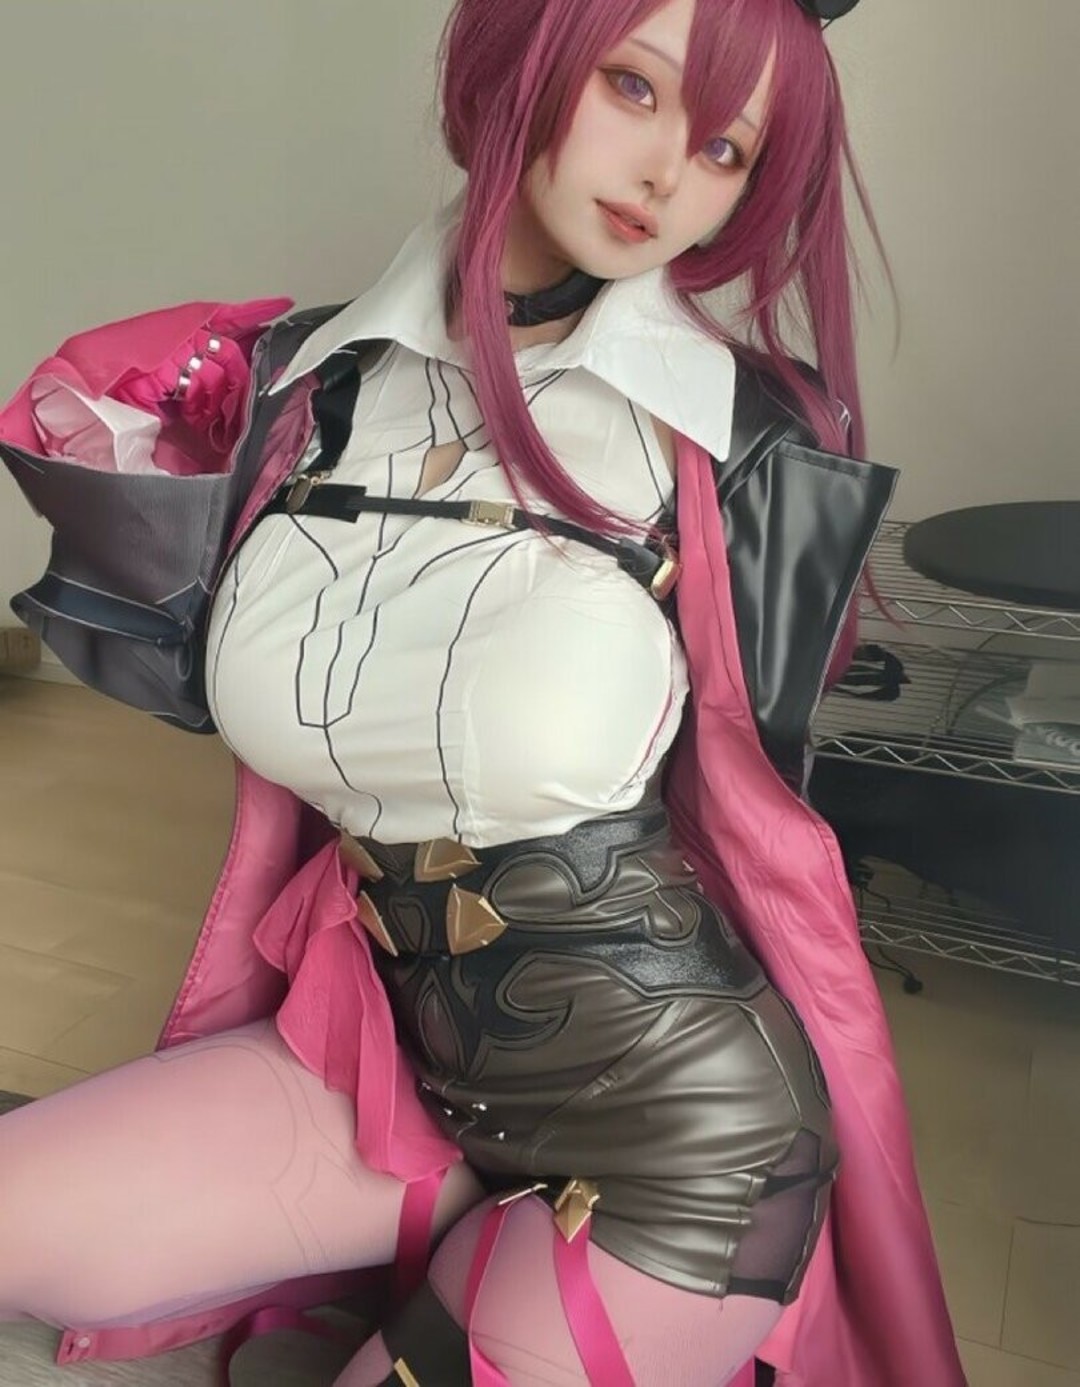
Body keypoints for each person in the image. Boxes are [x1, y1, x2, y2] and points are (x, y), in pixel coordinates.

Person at [0, 0, 967, 1383]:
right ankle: (454, 1247)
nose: (667, 172)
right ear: (525, 55)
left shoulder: (738, 443)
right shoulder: (305, 386)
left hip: (680, 1153)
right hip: (386, 1078)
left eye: (727, 149)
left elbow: (753, 799)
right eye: (634, 87)